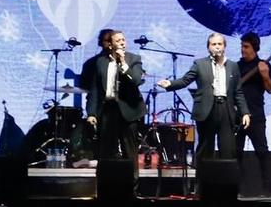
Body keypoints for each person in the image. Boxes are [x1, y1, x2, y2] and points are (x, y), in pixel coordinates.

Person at [160, 32, 241, 162]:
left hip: (226, 109)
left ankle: (226, 181)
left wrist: (245, 112)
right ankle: (202, 181)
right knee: (205, 149)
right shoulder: (200, 64)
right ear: (208, 47)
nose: (217, 47)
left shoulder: (233, 66)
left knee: (227, 149)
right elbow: (185, 80)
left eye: (220, 44)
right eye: (213, 44)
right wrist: (170, 84)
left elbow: (238, 91)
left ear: (225, 46)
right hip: (207, 109)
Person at [82, 28, 145, 164]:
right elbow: (95, 90)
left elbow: (136, 81)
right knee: (106, 153)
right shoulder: (100, 62)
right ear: (110, 45)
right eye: (118, 40)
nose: (122, 43)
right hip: (108, 110)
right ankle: (107, 183)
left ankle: (131, 184)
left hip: (129, 110)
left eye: (123, 40)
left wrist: (123, 63)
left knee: (130, 154)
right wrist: (91, 113)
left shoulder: (133, 59)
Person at [234, 32, 271, 195]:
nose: (243, 50)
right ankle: (235, 190)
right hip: (237, 116)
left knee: (262, 151)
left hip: (256, 115)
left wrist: (264, 75)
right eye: (242, 46)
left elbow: (270, 89)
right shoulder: (236, 66)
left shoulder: (264, 65)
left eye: (246, 47)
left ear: (255, 48)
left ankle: (267, 190)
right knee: (236, 153)